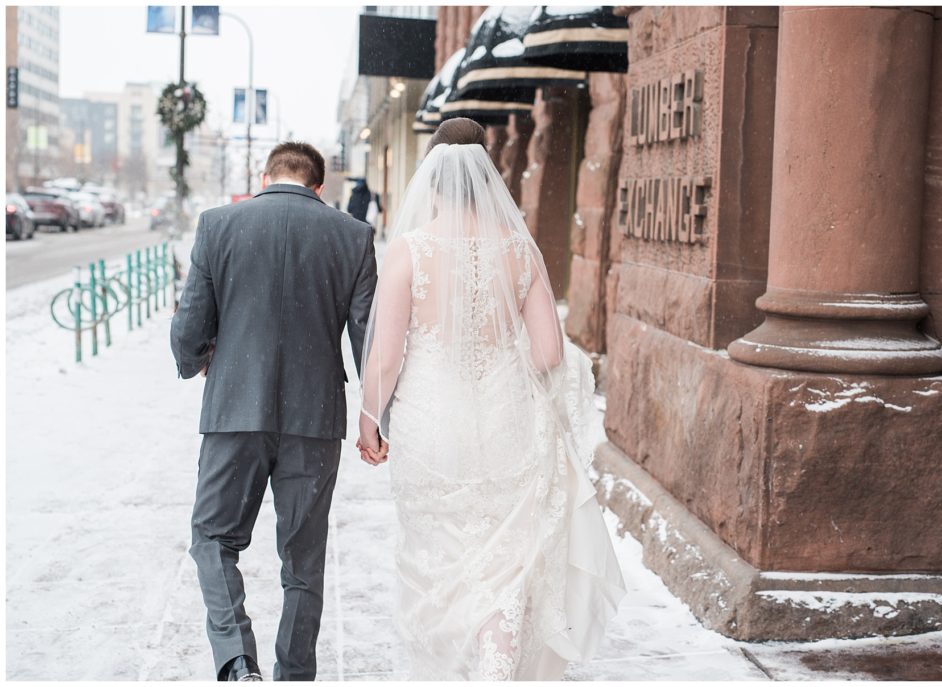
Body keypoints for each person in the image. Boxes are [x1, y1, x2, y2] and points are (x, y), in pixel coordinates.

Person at [357, 118, 626, 680]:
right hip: (507, 422)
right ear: (489, 176)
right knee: (504, 562)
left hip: (432, 425)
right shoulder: (519, 250)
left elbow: (385, 358)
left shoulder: (409, 251)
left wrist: (368, 420)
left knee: (438, 559)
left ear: (432, 180)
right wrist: (501, 368)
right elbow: (549, 351)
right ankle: (495, 671)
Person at [170, 142, 377, 681]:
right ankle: (294, 674)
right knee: (303, 561)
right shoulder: (352, 236)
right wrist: (375, 414)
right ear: (319, 186)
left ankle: (238, 661)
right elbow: (367, 340)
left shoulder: (219, 226)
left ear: (265, 177)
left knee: (213, 539)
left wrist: (198, 359)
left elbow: (189, 328)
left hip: (235, 410)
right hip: (315, 416)